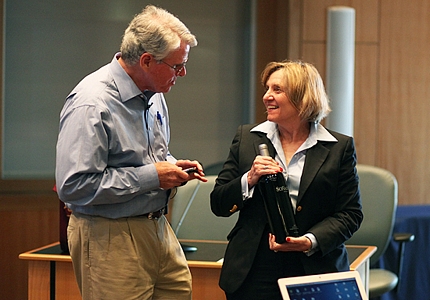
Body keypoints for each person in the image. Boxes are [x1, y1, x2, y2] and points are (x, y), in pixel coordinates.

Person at [55, 5, 206, 300]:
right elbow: (73, 186)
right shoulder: (92, 103)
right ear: (147, 60)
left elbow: (147, 157)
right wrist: (152, 176)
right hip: (109, 235)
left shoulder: (154, 92)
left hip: (158, 227)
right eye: (177, 66)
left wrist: (172, 166)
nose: (183, 73)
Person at [210, 60, 363, 300]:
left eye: (277, 90)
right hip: (253, 267)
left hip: (314, 266)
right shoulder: (247, 138)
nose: (266, 97)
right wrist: (249, 179)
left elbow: (350, 214)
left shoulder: (339, 147)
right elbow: (218, 203)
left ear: (303, 97)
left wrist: (309, 241)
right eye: (267, 89)